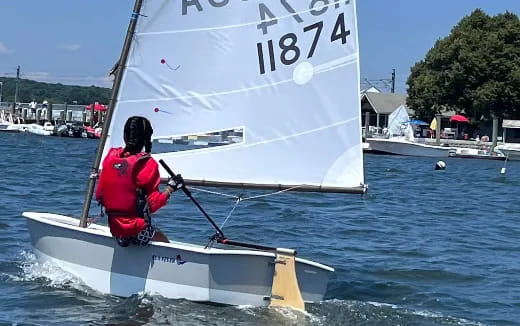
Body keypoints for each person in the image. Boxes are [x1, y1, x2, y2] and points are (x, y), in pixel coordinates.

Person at [95, 116, 183, 247]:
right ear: (146, 138)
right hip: (137, 231)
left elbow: (99, 195)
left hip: (115, 230)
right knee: (164, 240)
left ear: (125, 136)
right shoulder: (147, 163)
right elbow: (153, 205)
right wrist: (171, 188)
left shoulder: (110, 157)